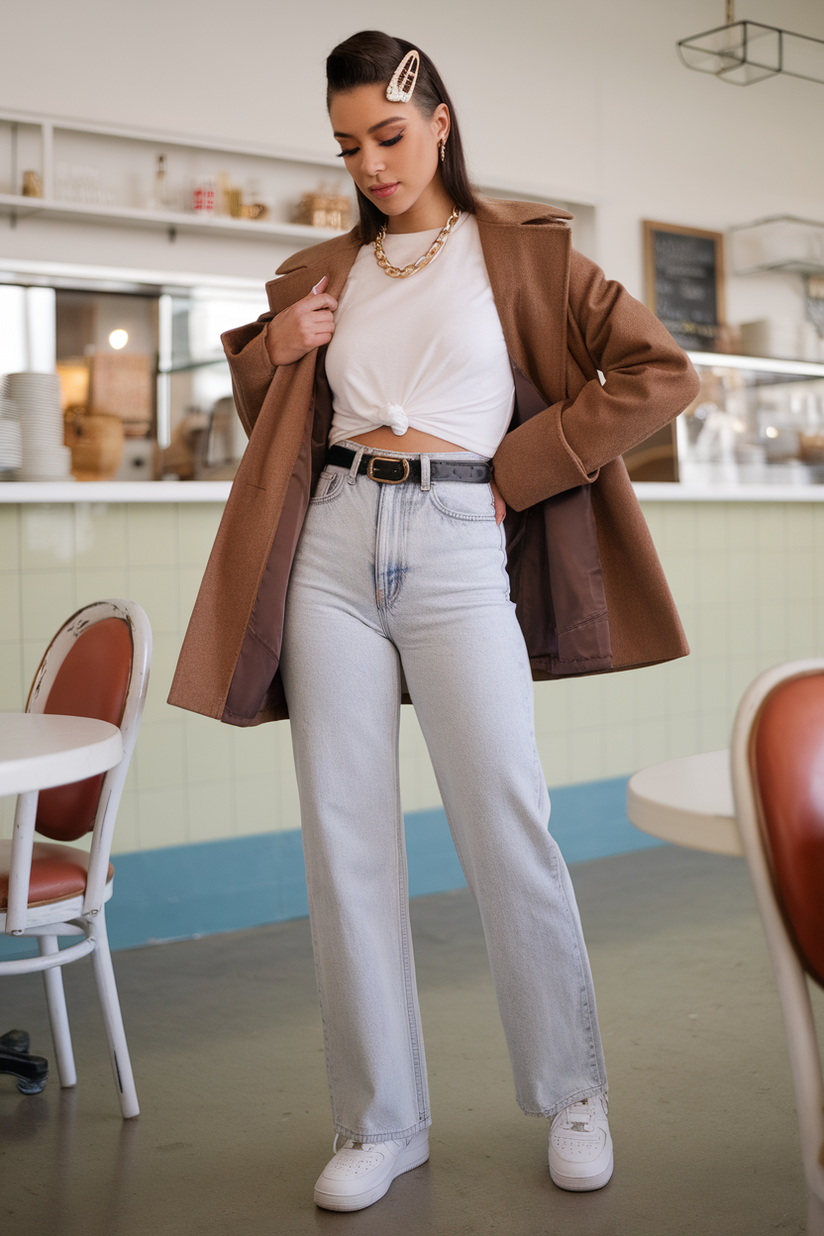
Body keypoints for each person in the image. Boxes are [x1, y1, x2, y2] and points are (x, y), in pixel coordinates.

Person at [168, 30, 699, 1214]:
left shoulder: (524, 255)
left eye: (389, 137)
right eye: (349, 145)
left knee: (506, 819)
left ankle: (572, 1093)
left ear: (440, 122)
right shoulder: (322, 270)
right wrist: (275, 349)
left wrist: (520, 465)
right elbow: (267, 411)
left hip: (462, 542)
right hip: (333, 551)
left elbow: (660, 371)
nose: (369, 164)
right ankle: (381, 1121)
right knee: (345, 840)